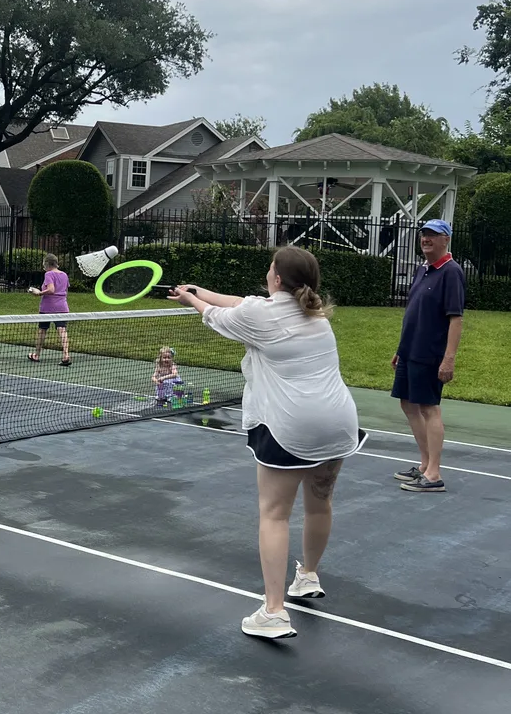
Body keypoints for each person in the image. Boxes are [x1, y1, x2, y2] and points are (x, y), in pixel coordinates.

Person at [172, 247, 364, 641]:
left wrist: (193, 299)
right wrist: (201, 290)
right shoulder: (314, 314)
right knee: (320, 502)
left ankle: (274, 612)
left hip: (291, 425)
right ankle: (307, 576)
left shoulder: (260, 316)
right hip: (338, 423)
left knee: (274, 515)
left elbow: (218, 316)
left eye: (272, 266)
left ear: (276, 277)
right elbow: (246, 304)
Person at [390, 219, 465, 493]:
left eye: (434, 235)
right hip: (411, 351)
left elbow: (455, 319)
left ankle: (434, 475)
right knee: (408, 404)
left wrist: (449, 358)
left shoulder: (451, 272)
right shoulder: (421, 270)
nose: (426, 239)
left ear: (446, 240)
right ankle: (424, 464)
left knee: (428, 408)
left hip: (430, 353)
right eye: (424, 234)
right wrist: (401, 348)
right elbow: (413, 313)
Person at [28, 254, 71, 366]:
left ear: (47, 264)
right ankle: (66, 355)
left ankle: (36, 355)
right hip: (62, 307)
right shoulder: (64, 275)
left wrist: (39, 293)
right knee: (62, 330)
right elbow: (65, 290)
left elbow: (51, 290)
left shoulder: (49, 274)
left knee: (42, 330)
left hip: (47, 307)